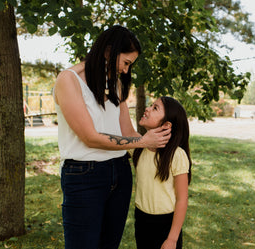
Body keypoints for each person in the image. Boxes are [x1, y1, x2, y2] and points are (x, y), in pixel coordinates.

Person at [53, 25, 171, 249]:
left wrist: (162, 145)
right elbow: (90, 138)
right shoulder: (68, 80)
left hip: (119, 172)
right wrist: (143, 142)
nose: (126, 71)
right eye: (126, 63)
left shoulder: (115, 83)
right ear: (109, 51)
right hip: (83, 175)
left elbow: (128, 133)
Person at [132, 96, 192, 249]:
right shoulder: (139, 147)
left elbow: (182, 200)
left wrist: (172, 239)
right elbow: (124, 126)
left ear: (166, 124)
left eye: (155, 108)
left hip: (166, 225)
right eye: (151, 105)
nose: (147, 108)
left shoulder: (176, 155)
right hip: (142, 220)